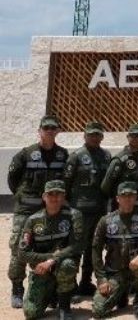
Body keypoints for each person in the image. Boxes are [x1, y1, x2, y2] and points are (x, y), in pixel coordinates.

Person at [8, 115, 70, 309]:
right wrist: (24, 196)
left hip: (51, 210)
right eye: (46, 128)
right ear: (39, 131)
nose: (49, 131)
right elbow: (13, 179)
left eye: (53, 128)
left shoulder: (63, 155)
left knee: (50, 247)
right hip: (26, 210)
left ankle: (50, 289)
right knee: (20, 247)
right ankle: (17, 288)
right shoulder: (26, 154)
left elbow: (67, 180)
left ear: (58, 131)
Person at [91, 182, 138, 319]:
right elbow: (96, 249)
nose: (127, 199)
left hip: (136, 268)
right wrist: (101, 279)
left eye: (131, 196)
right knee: (99, 310)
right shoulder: (106, 221)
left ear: (136, 198)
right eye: (124, 196)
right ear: (118, 198)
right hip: (115, 272)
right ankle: (121, 292)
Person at [18, 180, 83, 320]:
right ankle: (52, 293)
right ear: (43, 197)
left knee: (67, 265)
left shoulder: (73, 215)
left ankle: (64, 307)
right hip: (42, 269)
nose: (54, 198)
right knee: (31, 313)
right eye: (50, 194)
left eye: (58, 194)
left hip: (62, 265)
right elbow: (22, 253)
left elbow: (76, 246)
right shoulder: (33, 220)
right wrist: (47, 259)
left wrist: (52, 260)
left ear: (64, 196)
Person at [64, 121, 112, 297]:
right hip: (80, 212)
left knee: (94, 247)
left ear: (102, 137)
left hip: (99, 210)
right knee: (77, 248)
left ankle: (86, 281)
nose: (94, 137)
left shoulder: (106, 156)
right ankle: (71, 286)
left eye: (97, 134)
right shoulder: (76, 157)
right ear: (84, 136)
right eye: (91, 134)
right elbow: (66, 184)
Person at [101, 123, 138, 211]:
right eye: (133, 136)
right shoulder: (120, 160)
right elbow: (106, 186)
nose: (136, 139)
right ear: (128, 137)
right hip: (123, 207)